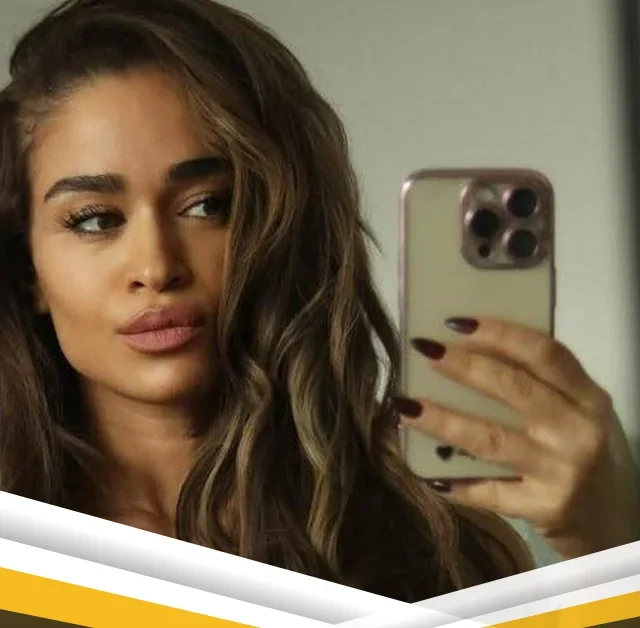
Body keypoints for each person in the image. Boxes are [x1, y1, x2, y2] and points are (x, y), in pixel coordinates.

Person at [0, 0, 637, 603]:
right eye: (93, 219)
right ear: (29, 270)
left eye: (208, 205)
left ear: (283, 223)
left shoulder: (436, 533)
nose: (156, 267)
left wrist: (612, 543)